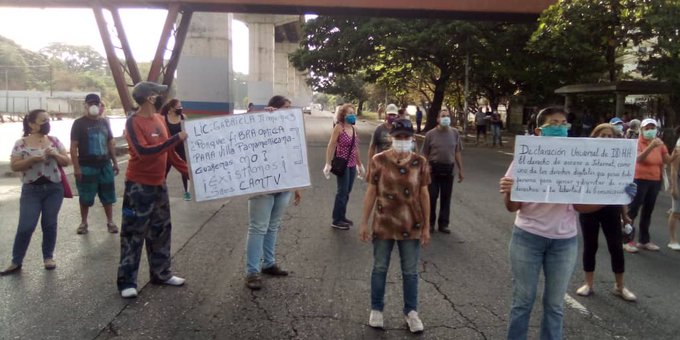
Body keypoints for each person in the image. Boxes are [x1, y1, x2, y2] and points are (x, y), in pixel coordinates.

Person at [499, 106, 602, 340]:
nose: (559, 127)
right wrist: (509, 191)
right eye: (553, 123)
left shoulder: (575, 161)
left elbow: (580, 206)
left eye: (563, 123)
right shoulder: (525, 158)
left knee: (555, 305)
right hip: (527, 238)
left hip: (564, 243)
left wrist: (615, 196)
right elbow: (512, 207)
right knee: (522, 302)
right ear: (539, 130)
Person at [116, 81, 189, 298]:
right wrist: (176, 138)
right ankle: (127, 282)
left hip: (159, 184)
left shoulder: (159, 119)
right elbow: (144, 152)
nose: (160, 96)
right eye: (157, 93)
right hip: (138, 187)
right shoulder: (133, 122)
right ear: (150, 97)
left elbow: (168, 152)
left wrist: (189, 172)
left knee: (161, 229)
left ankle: (162, 273)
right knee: (133, 233)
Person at [359, 118, 430, 333]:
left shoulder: (420, 162)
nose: (402, 140)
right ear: (391, 137)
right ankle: (376, 310)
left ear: (412, 138)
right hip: (384, 223)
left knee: (410, 271)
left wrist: (426, 226)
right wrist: (364, 222)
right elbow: (371, 191)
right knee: (380, 268)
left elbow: (424, 194)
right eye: (398, 137)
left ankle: (411, 312)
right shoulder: (378, 160)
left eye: (406, 137)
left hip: (412, 224)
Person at [0, 109, 71, 275]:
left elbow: (66, 161)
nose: (47, 124)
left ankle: (48, 257)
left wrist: (55, 155)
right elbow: (15, 165)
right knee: (26, 225)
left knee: (49, 224)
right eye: (42, 121)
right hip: (31, 189)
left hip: (54, 188)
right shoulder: (21, 143)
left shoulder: (54, 140)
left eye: (48, 120)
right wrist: (32, 159)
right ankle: (16, 260)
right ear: (31, 124)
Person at [244, 95, 302, 290]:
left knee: (273, 226)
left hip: (283, 186)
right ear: (273, 108)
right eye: (286, 107)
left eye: (290, 107)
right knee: (258, 227)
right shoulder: (261, 123)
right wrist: (263, 117)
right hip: (263, 186)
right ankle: (252, 271)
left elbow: (294, 155)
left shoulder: (290, 128)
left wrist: (296, 184)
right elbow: (243, 136)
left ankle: (268, 263)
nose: (289, 110)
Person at [575, 123, 637, 301]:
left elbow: (621, 191)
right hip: (588, 208)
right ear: (594, 137)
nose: (606, 139)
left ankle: (620, 286)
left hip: (611, 209)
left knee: (616, 247)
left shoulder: (619, 162)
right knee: (590, 246)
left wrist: (625, 215)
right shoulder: (584, 159)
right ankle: (588, 283)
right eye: (602, 135)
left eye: (610, 136)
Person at [625, 118, 679, 253]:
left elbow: (667, 160)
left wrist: (675, 155)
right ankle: (626, 240)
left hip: (655, 180)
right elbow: (638, 158)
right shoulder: (637, 143)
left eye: (652, 128)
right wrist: (651, 146)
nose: (650, 131)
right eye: (647, 128)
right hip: (639, 179)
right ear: (641, 130)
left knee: (648, 211)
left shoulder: (660, 144)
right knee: (633, 210)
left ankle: (644, 240)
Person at [70, 93, 119, 235]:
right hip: (86, 167)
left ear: (100, 105)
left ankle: (110, 222)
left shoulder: (104, 122)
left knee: (108, 196)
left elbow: (110, 143)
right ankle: (84, 222)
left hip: (105, 165)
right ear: (85, 105)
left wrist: (114, 162)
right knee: (85, 197)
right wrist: (77, 168)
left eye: (96, 104)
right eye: (90, 103)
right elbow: (73, 147)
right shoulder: (78, 123)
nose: (93, 106)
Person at [421, 109, 464, 234]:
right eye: (443, 116)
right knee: (432, 196)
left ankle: (443, 224)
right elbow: (425, 153)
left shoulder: (455, 133)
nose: (446, 118)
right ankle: (429, 223)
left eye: (447, 116)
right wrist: (425, 167)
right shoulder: (430, 134)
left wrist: (461, 169)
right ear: (438, 119)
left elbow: (457, 152)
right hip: (433, 169)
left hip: (448, 169)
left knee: (446, 197)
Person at [323, 104, 365, 230]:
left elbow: (355, 148)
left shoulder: (353, 128)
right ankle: (336, 220)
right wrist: (328, 163)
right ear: (343, 115)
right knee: (342, 191)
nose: (352, 115)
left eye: (353, 112)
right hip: (342, 164)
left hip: (352, 164)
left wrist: (360, 164)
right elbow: (331, 145)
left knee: (347, 191)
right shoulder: (339, 127)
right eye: (349, 113)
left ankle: (342, 216)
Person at [161, 99, 191, 201]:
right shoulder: (164, 119)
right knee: (164, 171)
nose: (180, 109)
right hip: (169, 149)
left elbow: (189, 131)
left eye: (181, 107)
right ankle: (160, 191)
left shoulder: (183, 117)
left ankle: (187, 192)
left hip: (181, 148)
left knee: (184, 170)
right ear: (171, 108)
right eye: (178, 107)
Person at [669, 126, 680, 251]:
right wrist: (674, 188)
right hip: (678, 181)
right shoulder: (678, 147)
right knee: (676, 212)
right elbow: (674, 169)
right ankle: (673, 240)